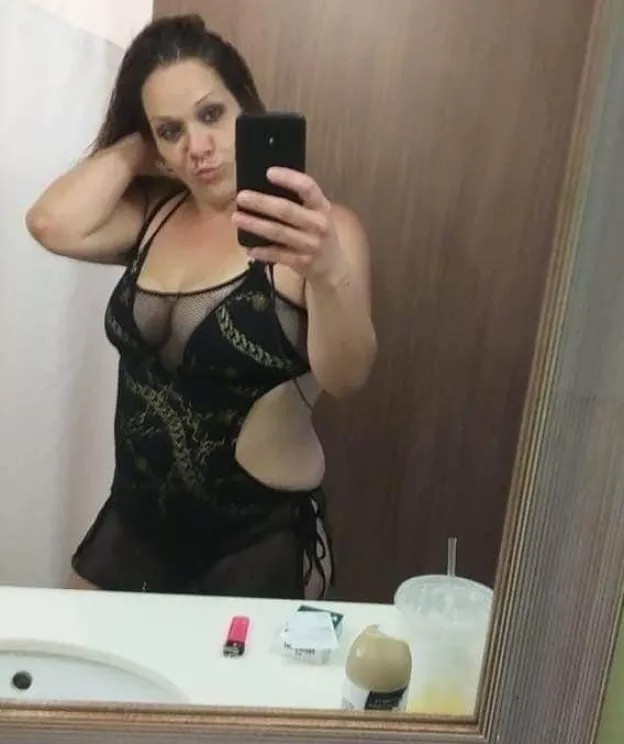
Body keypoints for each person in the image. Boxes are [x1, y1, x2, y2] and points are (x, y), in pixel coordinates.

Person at [25, 15, 376, 600]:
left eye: (212, 114)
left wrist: (327, 269)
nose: (198, 149)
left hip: (256, 541)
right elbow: (49, 223)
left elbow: (348, 376)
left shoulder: (319, 232)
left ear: (248, 109)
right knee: (60, 662)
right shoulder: (155, 214)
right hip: (134, 526)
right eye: (172, 131)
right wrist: (143, 138)